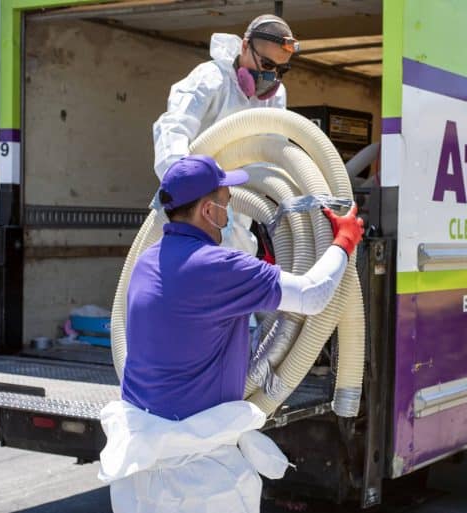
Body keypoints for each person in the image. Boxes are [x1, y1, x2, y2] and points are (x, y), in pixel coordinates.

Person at [98, 155, 364, 512]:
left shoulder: (147, 262)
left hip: (142, 463)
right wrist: (344, 242)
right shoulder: (218, 267)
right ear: (207, 210)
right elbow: (313, 294)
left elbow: (189, 317)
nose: (230, 210)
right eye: (227, 201)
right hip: (197, 480)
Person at [152, 14, 298, 181]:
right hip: (199, 186)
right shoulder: (210, 78)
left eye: (281, 69)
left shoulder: (276, 94)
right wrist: (184, 180)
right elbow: (174, 128)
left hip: (248, 196)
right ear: (244, 47)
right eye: (267, 64)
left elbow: (275, 148)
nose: (271, 75)